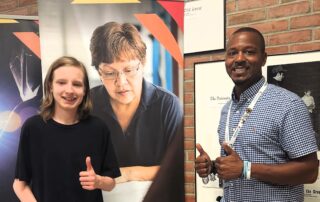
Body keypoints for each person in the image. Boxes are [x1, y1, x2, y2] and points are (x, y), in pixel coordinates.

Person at [195, 27, 319, 202]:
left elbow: (310, 171)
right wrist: (214, 167)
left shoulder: (288, 105)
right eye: (232, 53)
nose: (239, 59)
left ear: (263, 58)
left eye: (249, 52)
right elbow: (237, 165)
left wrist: (246, 169)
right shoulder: (227, 109)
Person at [89, 21, 183, 198]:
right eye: (110, 73)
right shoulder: (87, 105)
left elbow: (180, 167)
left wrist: (128, 173)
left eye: (129, 70)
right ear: (98, 72)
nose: (121, 82)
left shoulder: (168, 105)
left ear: (143, 63)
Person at [13, 56, 121, 202]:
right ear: (50, 86)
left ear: (84, 91)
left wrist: (98, 181)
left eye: (77, 84)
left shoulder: (98, 128)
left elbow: (111, 183)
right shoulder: (33, 128)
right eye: (61, 82)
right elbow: (19, 185)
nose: (69, 90)